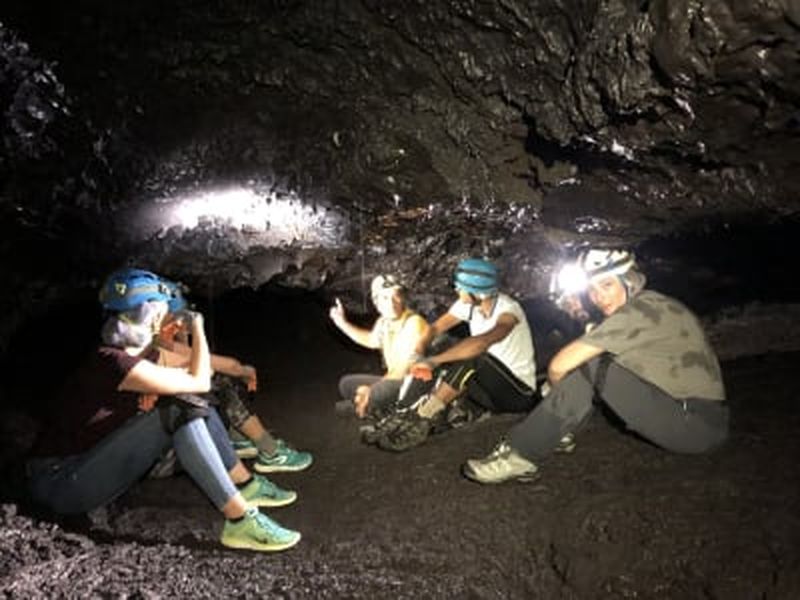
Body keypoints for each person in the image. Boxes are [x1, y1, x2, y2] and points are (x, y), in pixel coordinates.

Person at [25, 268, 301, 552]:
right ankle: (241, 518)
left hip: (89, 467)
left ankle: (245, 485)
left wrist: (181, 341)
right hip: (61, 482)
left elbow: (200, 372)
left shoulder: (140, 356)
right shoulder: (113, 362)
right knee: (179, 407)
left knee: (192, 402)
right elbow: (200, 379)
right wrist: (197, 327)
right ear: (152, 316)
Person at [463, 249, 729, 484]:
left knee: (591, 365)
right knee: (595, 365)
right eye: (593, 289)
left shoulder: (641, 310)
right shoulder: (651, 305)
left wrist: (556, 393)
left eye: (607, 285)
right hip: (697, 419)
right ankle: (557, 431)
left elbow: (561, 364)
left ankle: (522, 454)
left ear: (629, 282)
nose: (599, 296)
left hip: (693, 424)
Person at [374, 257, 539, 452]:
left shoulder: (509, 311)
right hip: (487, 390)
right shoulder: (469, 305)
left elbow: (483, 342)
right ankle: (404, 411)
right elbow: (434, 329)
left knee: (473, 356)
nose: (456, 290)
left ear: (476, 293)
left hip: (517, 394)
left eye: (460, 287)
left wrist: (434, 361)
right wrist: (418, 353)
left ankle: (424, 417)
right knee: (444, 350)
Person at [157, 305, 312, 474]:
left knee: (208, 381)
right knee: (221, 383)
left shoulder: (143, 344)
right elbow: (230, 366)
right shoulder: (160, 345)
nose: (181, 323)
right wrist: (248, 372)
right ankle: (270, 452)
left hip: (167, 436)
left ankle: (238, 439)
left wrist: (182, 336)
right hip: (163, 455)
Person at [329, 274, 429, 418]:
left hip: (416, 384)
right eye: (384, 298)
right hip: (395, 382)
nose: (391, 303)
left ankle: (394, 409)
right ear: (376, 303)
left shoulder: (414, 323)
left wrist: (371, 389)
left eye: (396, 296)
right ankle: (382, 406)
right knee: (345, 384)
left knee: (376, 392)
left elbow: (402, 371)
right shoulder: (384, 322)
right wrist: (342, 323)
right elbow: (370, 340)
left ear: (403, 299)